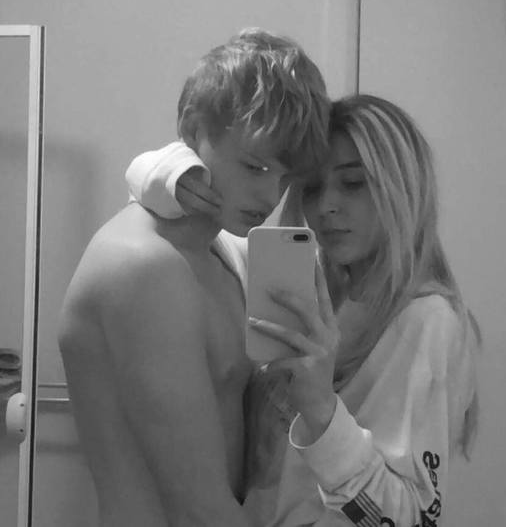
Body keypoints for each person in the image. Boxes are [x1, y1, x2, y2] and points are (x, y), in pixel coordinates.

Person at [124, 93, 480, 526]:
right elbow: (144, 178)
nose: (326, 206)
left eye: (353, 183)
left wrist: (321, 409)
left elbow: (412, 518)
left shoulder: (426, 321)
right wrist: (179, 178)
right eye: (311, 187)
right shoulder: (303, 283)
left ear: (403, 186)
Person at [57, 27, 330, 527]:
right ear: (191, 128)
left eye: (285, 177)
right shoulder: (146, 267)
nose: (270, 197)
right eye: (255, 167)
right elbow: (199, 508)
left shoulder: (217, 253)